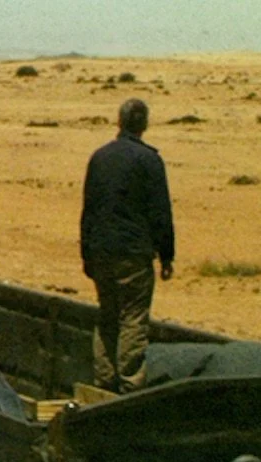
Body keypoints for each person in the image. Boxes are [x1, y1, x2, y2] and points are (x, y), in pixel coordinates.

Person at [80, 98, 175, 393]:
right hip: (132, 253)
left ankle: (104, 382)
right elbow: (161, 212)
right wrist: (167, 255)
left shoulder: (100, 157)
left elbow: (89, 209)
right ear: (143, 124)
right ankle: (131, 387)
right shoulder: (149, 160)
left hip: (100, 250)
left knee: (107, 314)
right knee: (133, 318)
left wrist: (87, 253)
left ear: (119, 122)